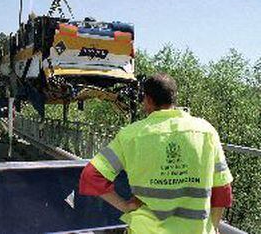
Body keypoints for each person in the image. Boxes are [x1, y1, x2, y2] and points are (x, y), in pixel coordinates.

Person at [79, 73, 233, 234]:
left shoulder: (131, 135)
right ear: (173, 98)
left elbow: (91, 176)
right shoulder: (206, 131)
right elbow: (223, 189)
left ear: (148, 99)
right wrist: (213, 227)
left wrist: (125, 206)